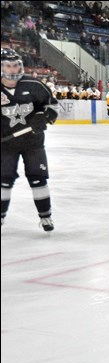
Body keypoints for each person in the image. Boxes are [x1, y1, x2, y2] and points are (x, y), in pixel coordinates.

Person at [1, 48, 59, 231]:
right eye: (8, 66)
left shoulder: (34, 85)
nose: (13, 69)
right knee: (4, 181)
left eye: (16, 65)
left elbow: (52, 107)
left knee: (38, 179)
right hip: (5, 145)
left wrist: (45, 115)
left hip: (33, 143)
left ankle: (46, 216)